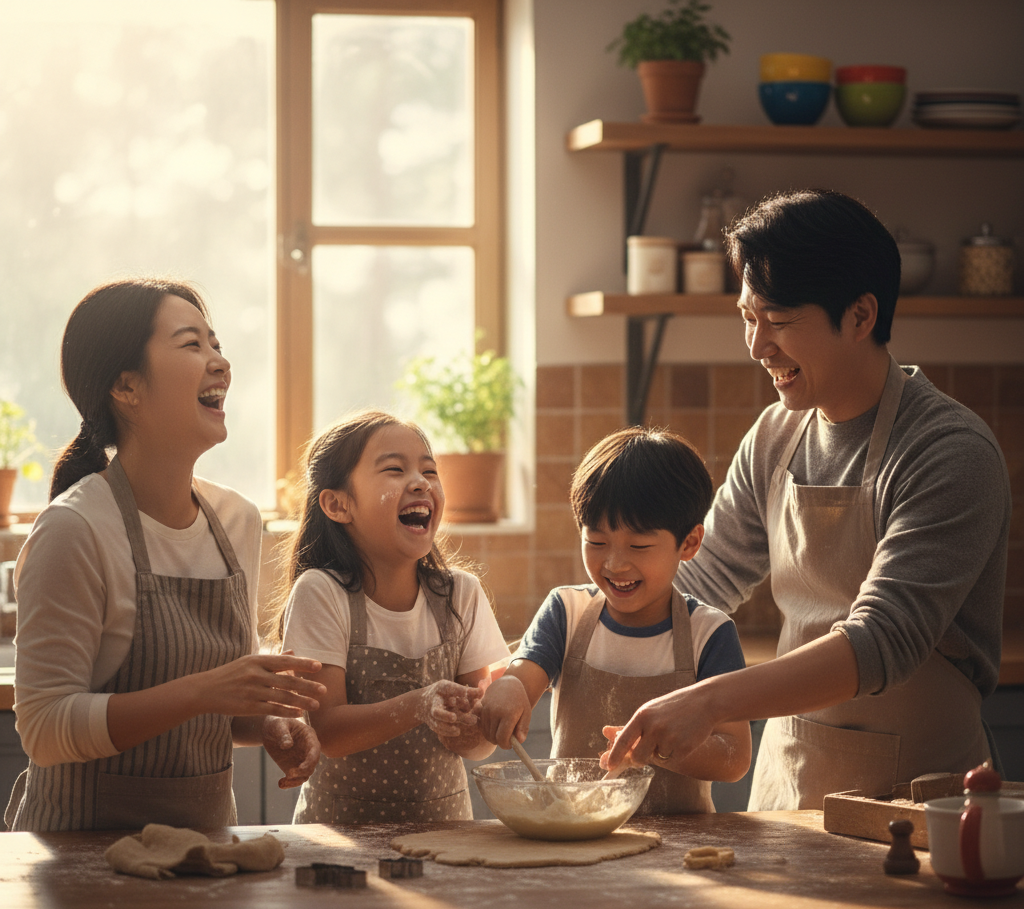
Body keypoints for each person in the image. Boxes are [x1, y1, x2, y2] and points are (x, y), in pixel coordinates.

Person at [604, 190, 1010, 811]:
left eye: (780, 319)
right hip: (790, 792)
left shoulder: (950, 452)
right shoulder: (775, 435)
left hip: (926, 806)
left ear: (860, 315)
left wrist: (710, 699)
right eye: (747, 317)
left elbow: (882, 640)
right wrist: (566, 644)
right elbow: (697, 583)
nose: (756, 345)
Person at [6, 278, 326, 832]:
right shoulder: (75, 529)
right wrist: (206, 689)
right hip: (83, 872)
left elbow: (219, 710)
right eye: (192, 344)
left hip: (203, 860)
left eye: (216, 343)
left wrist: (265, 721)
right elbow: (46, 727)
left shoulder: (237, 522)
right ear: (126, 386)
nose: (220, 362)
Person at [478, 426, 750, 813]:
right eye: (596, 541)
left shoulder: (710, 634)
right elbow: (525, 675)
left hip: (680, 846)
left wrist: (659, 747)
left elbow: (734, 757)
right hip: (573, 834)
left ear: (689, 543)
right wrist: (508, 689)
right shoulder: (566, 612)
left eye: (639, 545)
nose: (614, 563)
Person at [276, 410, 510, 824]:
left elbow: (478, 747)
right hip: (341, 836)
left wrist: (475, 730)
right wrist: (420, 704)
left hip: (445, 830)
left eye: (429, 471)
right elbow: (329, 731)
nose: (420, 482)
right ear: (337, 504)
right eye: (394, 470)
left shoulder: (461, 594)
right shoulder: (321, 593)